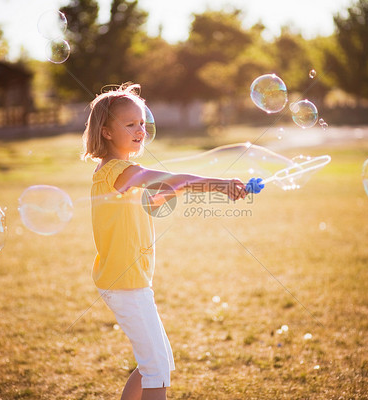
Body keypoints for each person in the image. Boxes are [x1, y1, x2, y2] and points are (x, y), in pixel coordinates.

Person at [82, 83, 248, 400]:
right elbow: (171, 180)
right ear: (105, 132)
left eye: (142, 123)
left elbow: (157, 196)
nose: (140, 130)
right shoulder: (118, 170)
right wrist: (220, 183)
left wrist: (181, 189)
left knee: (157, 366)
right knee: (156, 371)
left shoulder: (118, 173)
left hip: (130, 282)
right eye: (130, 124)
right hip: (125, 284)